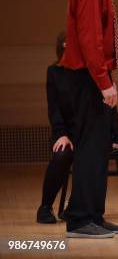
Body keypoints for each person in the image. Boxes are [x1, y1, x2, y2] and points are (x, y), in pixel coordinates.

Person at [60, 0, 118, 238]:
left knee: (98, 148)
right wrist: (103, 82)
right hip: (88, 78)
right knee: (89, 148)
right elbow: (90, 40)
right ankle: (80, 218)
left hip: (92, 76)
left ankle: (93, 215)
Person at [36, 32, 74, 223]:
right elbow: (54, 109)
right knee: (62, 155)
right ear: (65, 45)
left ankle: (74, 206)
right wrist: (61, 134)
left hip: (86, 131)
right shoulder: (54, 72)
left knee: (90, 155)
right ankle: (45, 207)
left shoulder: (87, 71)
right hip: (64, 132)